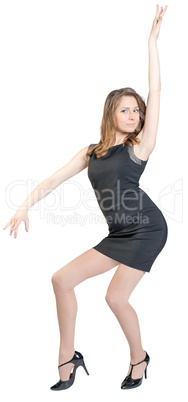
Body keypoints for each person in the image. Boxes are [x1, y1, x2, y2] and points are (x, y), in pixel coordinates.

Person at [3, 4, 168, 391]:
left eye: (137, 110)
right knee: (61, 280)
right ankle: (67, 357)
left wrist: (152, 42)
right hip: (117, 235)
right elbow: (55, 179)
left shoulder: (140, 147)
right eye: (125, 109)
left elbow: (156, 90)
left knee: (115, 299)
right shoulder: (91, 151)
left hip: (146, 229)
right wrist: (25, 204)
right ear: (111, 112)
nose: (133, 114)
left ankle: (138, 358)